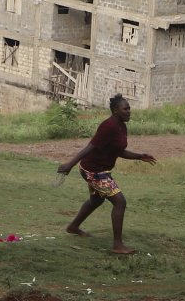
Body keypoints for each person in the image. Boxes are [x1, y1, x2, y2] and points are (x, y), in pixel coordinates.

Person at [56, 93, 156, 255]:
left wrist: (139, 156)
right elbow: (90, 147)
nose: (129, 111)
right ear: (115, 110)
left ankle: (73, 227)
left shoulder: (121, 126)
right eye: (125, 109)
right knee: (120, 202)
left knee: (96, 201)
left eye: (129, 108)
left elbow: (119, 151)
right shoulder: (108, 126)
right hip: (95, 171)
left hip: (98, 169)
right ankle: (117, 245)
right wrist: (70, 164)